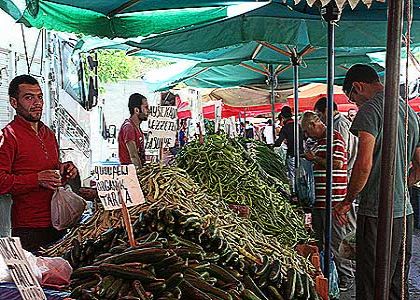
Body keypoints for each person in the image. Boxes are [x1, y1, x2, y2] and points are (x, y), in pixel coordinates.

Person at [334, 64, 420, 299]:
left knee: (372, 283)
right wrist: (404, 184)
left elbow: (363, 164)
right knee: (396, 283)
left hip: (376, 212)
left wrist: (346, 201)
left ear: (357, 87)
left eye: (352, 98)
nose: (355, 104)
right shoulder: (407, 110)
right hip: (404, 213)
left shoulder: (371, 110)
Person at [0, 75, 78, 252]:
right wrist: (36, 180)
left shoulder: (48, 133)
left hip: (58, 222)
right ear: (14, 102)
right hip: (29, 229)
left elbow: (51, 169)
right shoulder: (8, 136)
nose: (37, 103)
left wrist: (64, 170)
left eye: (40, 97)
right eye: (29, 97)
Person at [301, 111, 355, 290]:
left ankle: (346, 277)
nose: (307, 135)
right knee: (321, 239)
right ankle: (329, 275)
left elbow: (338, 163)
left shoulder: (335, 136)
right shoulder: (318, 141)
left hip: (334, 200)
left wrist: (314, 158)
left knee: (336, 240)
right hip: (320, 200)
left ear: (315, 125)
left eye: (307, 131)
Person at [314, 97, 358, 177]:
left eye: (319, 115)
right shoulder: (337, 122)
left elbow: (341, 150)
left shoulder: (339, 124)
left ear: (327, 110)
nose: (321, 120)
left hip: (345, 171)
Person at [274, 106, 304, 194]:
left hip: (292, 154)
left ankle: (294, 193)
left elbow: (278, 143)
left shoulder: (286, 127)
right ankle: (301, 193)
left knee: (292, 175)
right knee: (300, 175)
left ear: (282, 117)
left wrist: (273, 145)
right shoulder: (298, 126)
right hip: (302, 154)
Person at [118, 93, 149, 169]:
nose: (148, 111)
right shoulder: (129, 127)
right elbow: (133, 156)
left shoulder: (136, 127)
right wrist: (141, 173)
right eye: (146, 107)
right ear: (136, 110)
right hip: (130, 173)